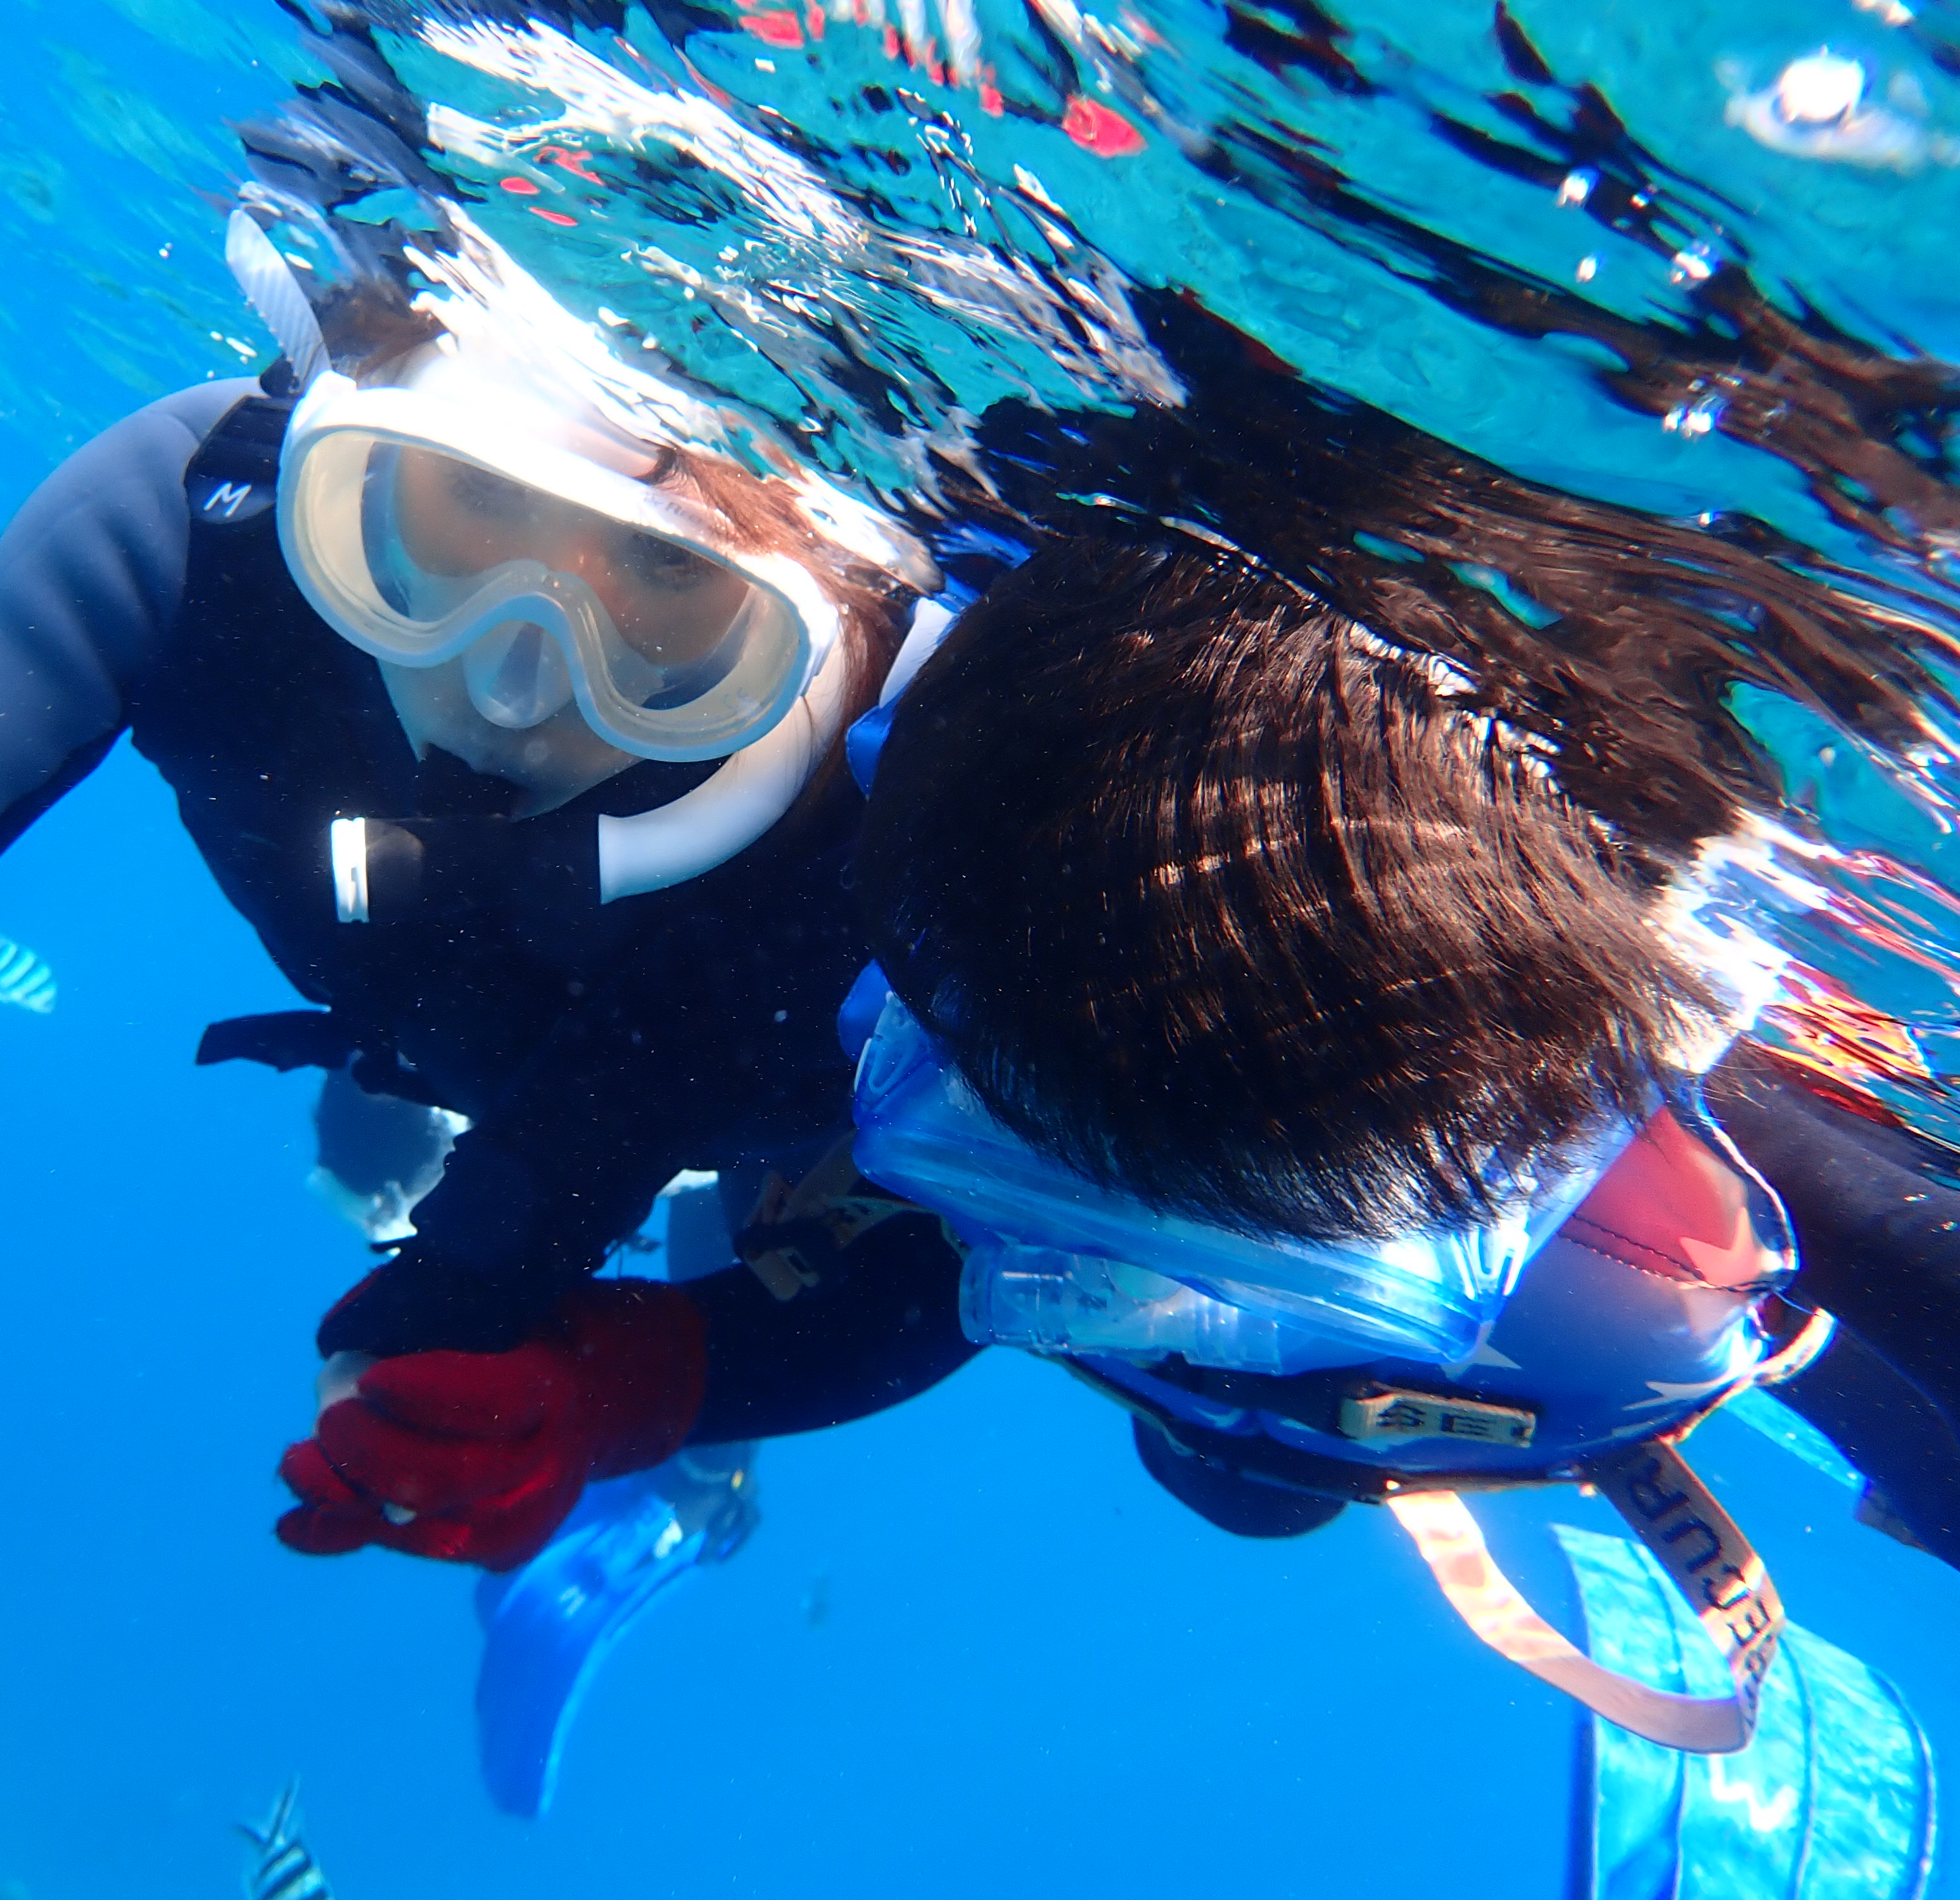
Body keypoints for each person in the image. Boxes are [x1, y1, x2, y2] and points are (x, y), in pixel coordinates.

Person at [0, 93, 932, 1872]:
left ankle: (694, 1490)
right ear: (342, 439)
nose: (518, 682)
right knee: (398, 1145)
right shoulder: (195, 520)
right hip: (423, 1022)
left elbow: (996, 1260)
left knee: (834, 1167)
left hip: (763, 1081)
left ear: (839, 607)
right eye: (455, 518)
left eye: (669, 589)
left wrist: (652, 1384)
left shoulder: (937, 788)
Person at [281, 529, 1960, 1746]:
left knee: (1263, 1475)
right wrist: (518, 1335)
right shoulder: (924, 932)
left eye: (1216, 1246)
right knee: (1226, 1457)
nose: (1056, 1286)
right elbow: (837, 1199)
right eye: (1008, 1157)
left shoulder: (1724, 1147)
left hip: (1563, 1293)